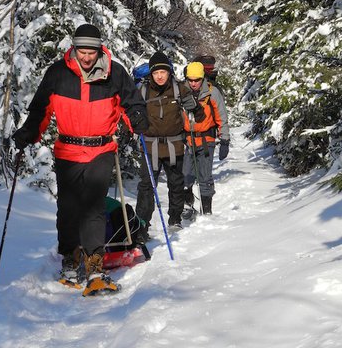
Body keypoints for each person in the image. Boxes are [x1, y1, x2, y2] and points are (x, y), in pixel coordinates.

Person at [12, 23, 149, 296]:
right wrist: (29, 132)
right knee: (69, 208)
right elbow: (41, 108)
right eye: (82, 51)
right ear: (74, 48)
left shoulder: (114, 73)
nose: (87, 57)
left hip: (101, 149)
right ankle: (71, 259)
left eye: (91, 51)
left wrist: (137, 118)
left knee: (94, 208)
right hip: (68, 150)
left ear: (99, 50)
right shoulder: (59, 73)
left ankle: (95, 267)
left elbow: (132, 102)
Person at [134, 51, 205, 240]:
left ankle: (175, 219)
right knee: (146, 188)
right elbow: (132, 111)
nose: (159, 76)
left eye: (163, 72)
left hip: (174, 146)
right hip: (150, 147)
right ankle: (141, 227)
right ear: (150, 73)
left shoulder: (178, 89)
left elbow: (197, 111)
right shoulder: (142, 91)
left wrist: (195, 109)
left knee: (176, 184)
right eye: (156, 72)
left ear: (169, 72)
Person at [182, 60, 230, 216]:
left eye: (197, 80)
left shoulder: (212, 92)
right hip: (188, 140)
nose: (194, 83)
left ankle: (207, 210)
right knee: (185, 176)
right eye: (191, 80)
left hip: (206, 140)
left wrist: (225, 140)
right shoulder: (182, 92)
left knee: (204, 176)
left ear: (202, 78)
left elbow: (221, 117)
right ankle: (188, 205)